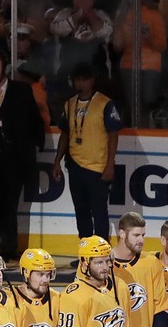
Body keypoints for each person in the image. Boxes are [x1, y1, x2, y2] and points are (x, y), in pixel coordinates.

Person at [0, 50, 45, 260]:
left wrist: (34, 147)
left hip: (14, 160)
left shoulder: (21, 91)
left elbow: (34, 121)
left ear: (4, 68)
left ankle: (8, 246)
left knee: (9, 204)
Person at [51, 63, 122, 243]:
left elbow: (113, 135)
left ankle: (101, 252)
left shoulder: (105, 103)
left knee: (99, 211)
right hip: (75, 164)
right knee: (81, 210)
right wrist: (57, 160)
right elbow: (65, 134)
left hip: (97, 166)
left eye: (84, 80)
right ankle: (85, 251)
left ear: (92, 81)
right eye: (77, 80)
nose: (80, 84)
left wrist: (110, 165)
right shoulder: (70, 104)